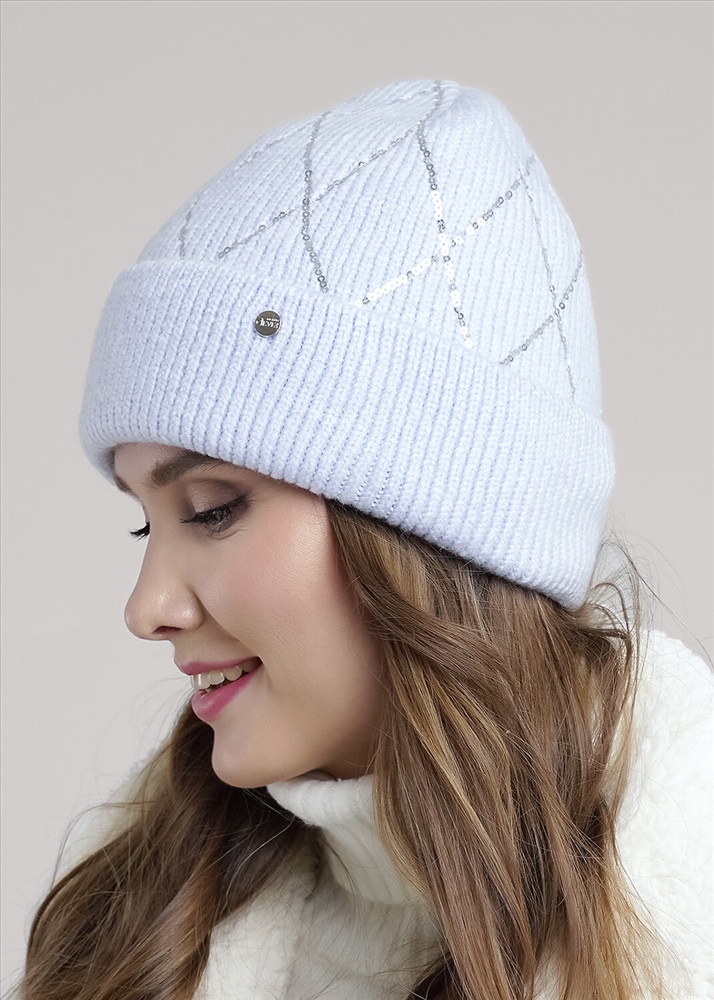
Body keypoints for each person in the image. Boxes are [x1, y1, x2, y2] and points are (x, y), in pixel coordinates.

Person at [19, 80, 712, 1000]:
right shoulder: (133, 912)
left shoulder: (683, 919)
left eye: (213, 508)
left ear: (429, 533)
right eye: (146, 521)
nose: (147, 608)